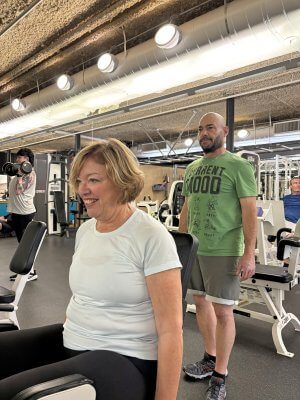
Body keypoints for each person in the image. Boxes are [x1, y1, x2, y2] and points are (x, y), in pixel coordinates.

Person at [0, 138, 183, 400]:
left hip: (124, 360)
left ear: (122, 181)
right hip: (73, 342)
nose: (82, 189)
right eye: (79, 181)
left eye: (94, 180)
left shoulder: (151, 236)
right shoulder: (86, 230)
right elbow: (83, 299)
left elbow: (171, 330)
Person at [179, 113, 257, 400]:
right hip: (197, 248)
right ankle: (210, 358)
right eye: (200, 129)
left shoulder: (239, 166)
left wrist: (249, 252)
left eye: (210, 128)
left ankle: (220, 375)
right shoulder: (193, 168)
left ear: (225, 130)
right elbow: (187, 207)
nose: (204, 133)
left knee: (224, 311)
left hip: (224, 250)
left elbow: (250, 211)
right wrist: (182, 243)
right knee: (199, 303)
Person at [7, 148, 37, 281]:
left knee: (26, 244)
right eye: (17, 157)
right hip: (17, 211)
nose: (17, 159)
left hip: (25, 212)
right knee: (21, 244)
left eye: (20, 157)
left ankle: (31, 272)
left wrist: (19, 176)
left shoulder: (29, 174)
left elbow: (19, 191)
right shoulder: (20, 173)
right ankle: (25, 270)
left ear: (27, 160)